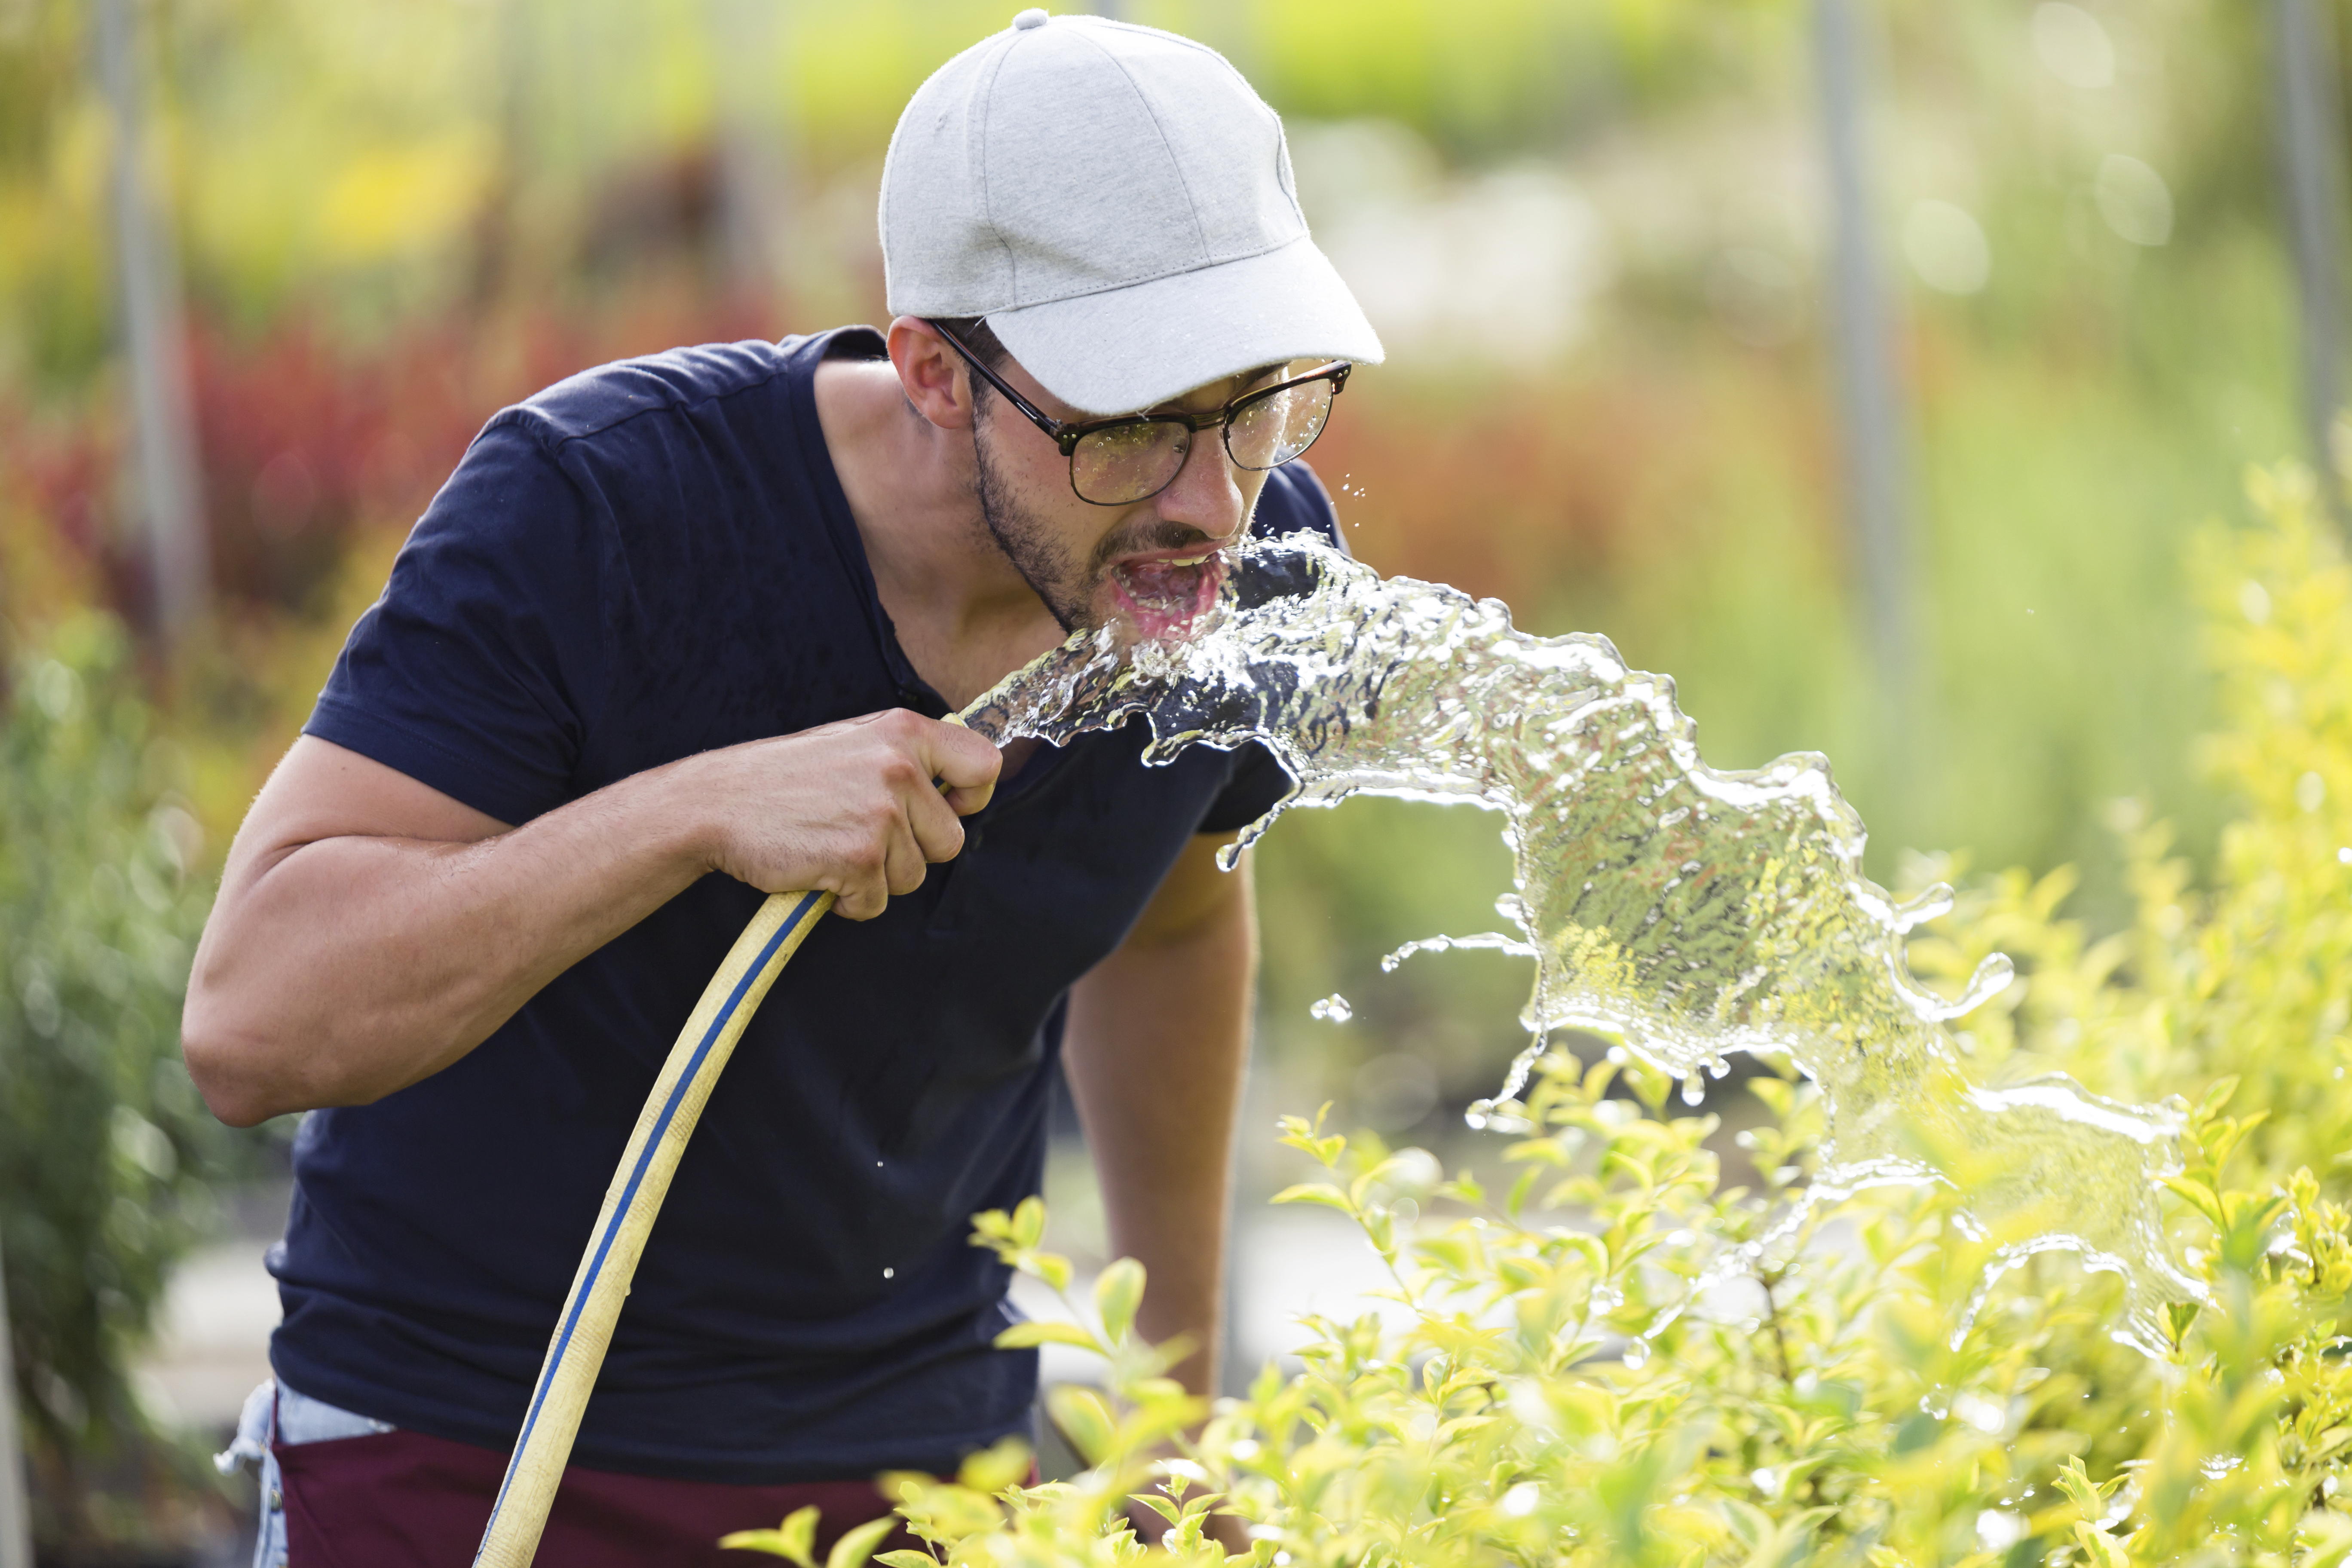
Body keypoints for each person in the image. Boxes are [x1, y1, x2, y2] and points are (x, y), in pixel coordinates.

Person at [183, 9, 1381, 1565]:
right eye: (1136, 424)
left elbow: (1165, 921)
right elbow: (249, 1022)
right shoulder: (602, 510)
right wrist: (689, 812)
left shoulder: (1250, 572)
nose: (1209, 501)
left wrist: (1172, 1410)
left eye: (1251, 402)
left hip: (923, 1468)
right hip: (478, 1445)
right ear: (936, 371)